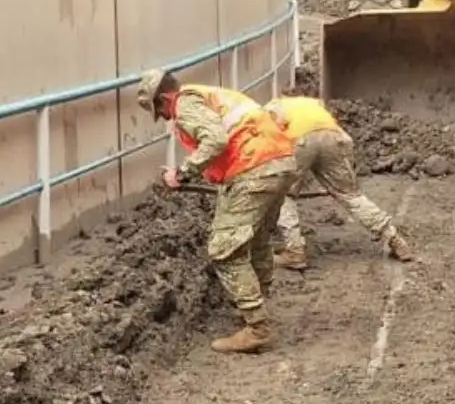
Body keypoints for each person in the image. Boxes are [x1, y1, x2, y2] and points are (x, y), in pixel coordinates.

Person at [136, 69, 298, 354]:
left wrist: (182, 173)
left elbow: (215, 140)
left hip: (253, 165)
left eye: (159, 109)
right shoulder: (210, 94)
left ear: (164, 98)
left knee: (224, 248)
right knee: (258, 240)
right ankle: (255, 308)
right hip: (279, 161)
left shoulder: (185, 104)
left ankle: (257, 328)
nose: (163, 116)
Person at [264, 92, 412, 270]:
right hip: (335, 137)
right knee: (350, 195)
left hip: (300, 140)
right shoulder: (313, 103)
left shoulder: (274, 105)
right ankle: (393, 237)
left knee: (284, 196)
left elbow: (275, 129)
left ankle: (294, 251)